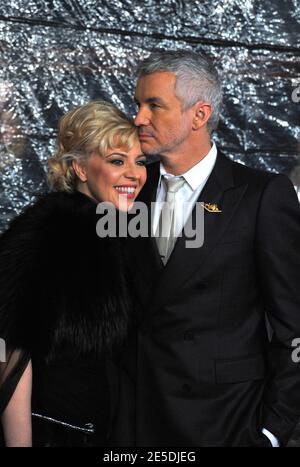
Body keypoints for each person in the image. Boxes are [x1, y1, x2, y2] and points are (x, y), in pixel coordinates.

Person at [121, 49, 300, 447]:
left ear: (199, 115)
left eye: (154, 105)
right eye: (138, 104)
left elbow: (295, 329)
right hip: (136, 423)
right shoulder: (129, 192)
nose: (138, 119)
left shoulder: (261, 195)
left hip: (225, 422)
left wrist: (271, 433)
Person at [0, 100, 146, 447]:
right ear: (80, 168)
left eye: (140, 161)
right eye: (116, 161)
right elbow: (10, 348)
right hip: (50, 431)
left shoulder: (117, 234)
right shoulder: (50, 231)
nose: (134, 173)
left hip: (97, 430)